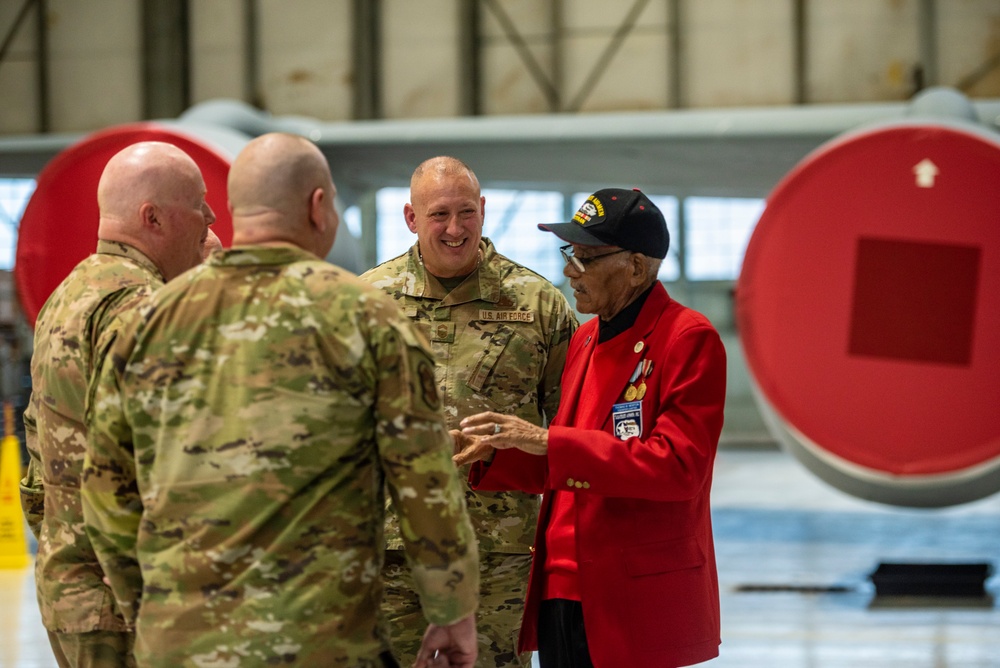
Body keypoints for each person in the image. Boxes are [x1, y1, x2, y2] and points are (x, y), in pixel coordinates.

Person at [80, 133, 480, 668]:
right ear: (318, 208)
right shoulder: (368, 318)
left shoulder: (147, 322)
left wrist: (150, 608)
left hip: (178, 644)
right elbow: (426, 485)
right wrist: (452, 611)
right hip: (322, 645)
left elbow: (106, 492)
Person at [456, 188, 727, 668]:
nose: (569, 272)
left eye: (585, 258)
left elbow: (678, 466)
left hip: (631, 602)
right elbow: (568, 462)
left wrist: (543, 439)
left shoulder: (687, 339)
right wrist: (494, 452)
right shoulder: (585, 338)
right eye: (570, 255)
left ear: (637, 267)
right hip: (561, 592)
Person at [361, 156, 577, 666]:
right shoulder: (367, 301)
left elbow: (569, 428)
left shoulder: (537, 303)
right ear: (412, 218)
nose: (455, 229)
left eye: (466, 213)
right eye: (439, 215)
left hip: (499, 551)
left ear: (483, 210)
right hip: (390, 547)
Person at [19, 140, 217, 668]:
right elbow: (174, 462)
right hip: (132, 597)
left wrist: (71, 550)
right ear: (153, 217)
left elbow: (39, 446)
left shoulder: (68, 294)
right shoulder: (145, 309)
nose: (210, 218)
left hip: (73, 584)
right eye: (198, 204)